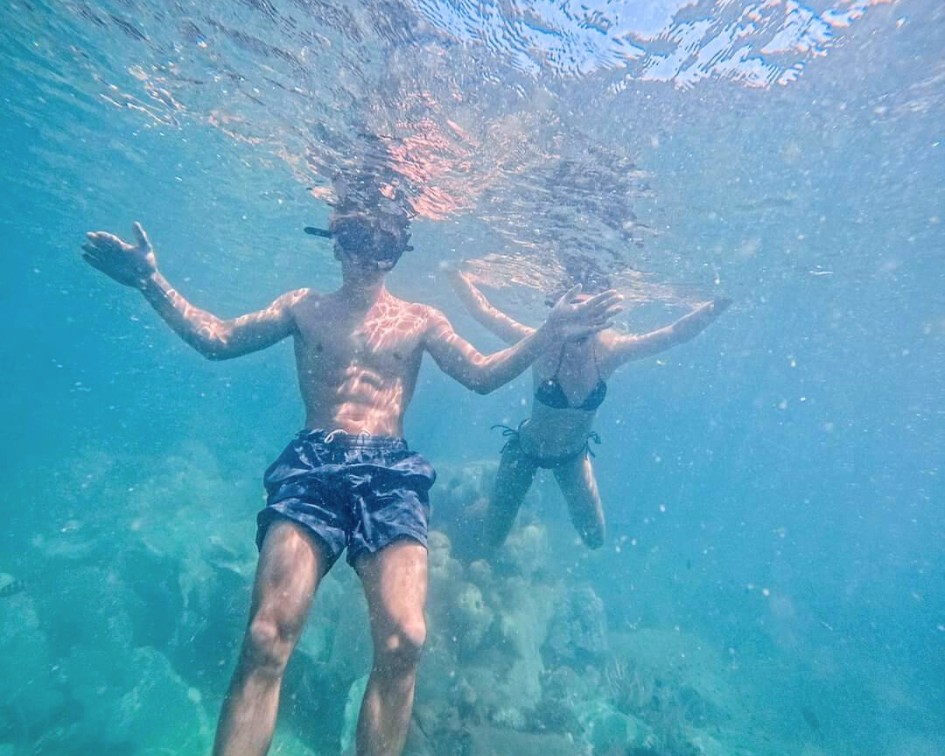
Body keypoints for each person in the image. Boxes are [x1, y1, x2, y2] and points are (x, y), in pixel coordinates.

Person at [80, 188, 621, 756]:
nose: (368, 255)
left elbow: (482, 375)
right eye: (358, 237)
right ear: (335, 240)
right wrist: (150, 282)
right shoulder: (303, 306)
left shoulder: (420, 319)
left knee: (405, 641)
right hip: (312, 467)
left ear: (400, 251)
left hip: (390, 476)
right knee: (265, 638)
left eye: (385, 243)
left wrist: (549, 333)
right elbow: (218, 340)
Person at [450, 261, 730, 553]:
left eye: (590, 311)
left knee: (595, 538)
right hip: (525, 451)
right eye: (576, 310)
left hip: (572, 458)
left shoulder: (611, 351)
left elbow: (675, 334)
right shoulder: (541, 342)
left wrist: (723, 302)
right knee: (493, 539)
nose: (582, 319)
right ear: (561, 308)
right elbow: (484, 313)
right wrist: (452, 271)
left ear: (603, 315)